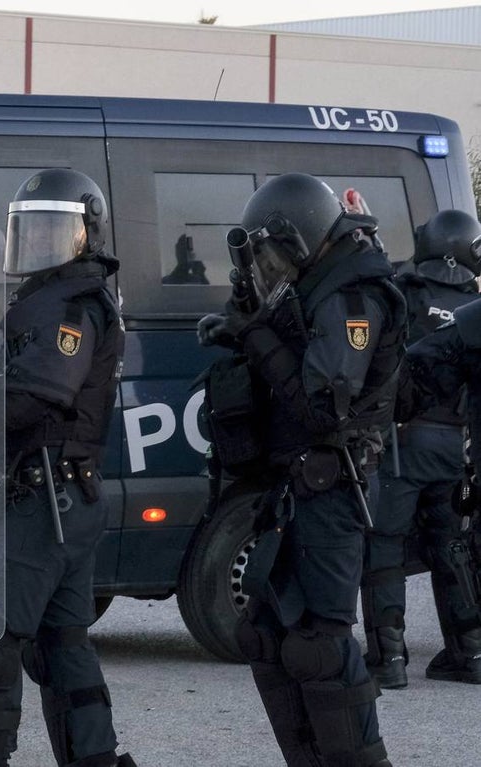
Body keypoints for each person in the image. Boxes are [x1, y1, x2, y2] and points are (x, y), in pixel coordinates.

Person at [198, 173, 403, 766]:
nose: (268, 267)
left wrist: (256, 333)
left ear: (301, 236)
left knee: (319, 646)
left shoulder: (352, 296)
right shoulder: (320, 284)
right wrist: (241, 333)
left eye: (271, 253)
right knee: (265, 634)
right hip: (297, 485)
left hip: (335, 485)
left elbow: (322, 410)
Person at [0, 168, 135, 767]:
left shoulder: (71, 306)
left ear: (88, 234)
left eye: (57, 229)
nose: (42, 242)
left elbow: (37, 396)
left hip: (43, 501)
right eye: (32, 229)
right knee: (62, 647)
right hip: (61, 497)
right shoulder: (52, 298)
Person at [361, 209, 481, 689]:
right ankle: (469, 653)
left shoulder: (404, 290)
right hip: (460, 444)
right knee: (454, 547)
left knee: (385, 545)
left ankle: (389, 660)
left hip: (405, 440)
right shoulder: (475, 304)